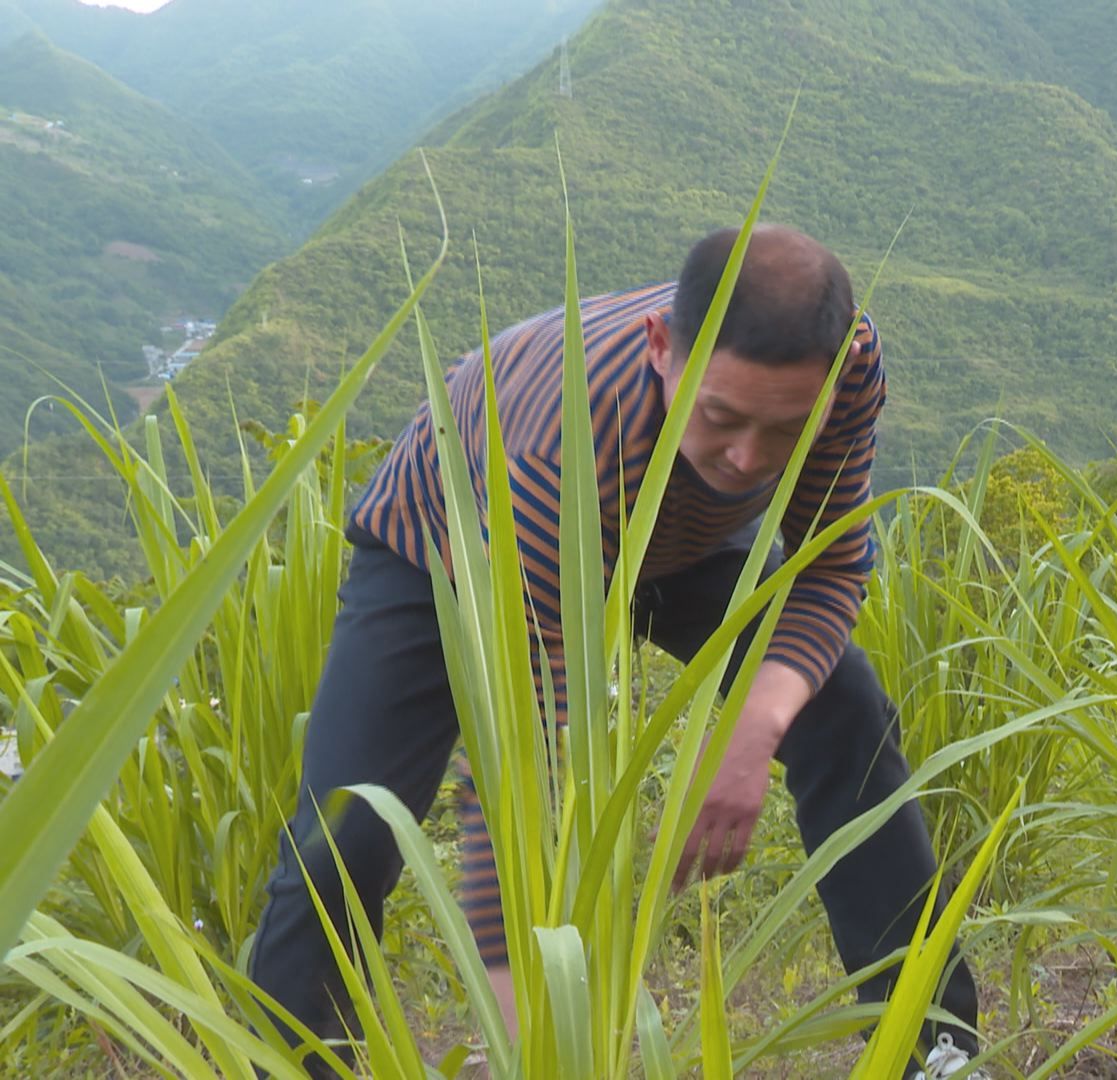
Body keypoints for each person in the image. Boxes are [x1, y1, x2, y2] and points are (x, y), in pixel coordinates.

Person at [247, 225, 983, 1079]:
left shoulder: (843, 363)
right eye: (720, 416)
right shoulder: (554, 439)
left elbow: (829, 566)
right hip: (452, 548)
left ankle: (933, 1049)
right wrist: (540, 1032)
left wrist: (750, 734)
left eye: (784, 430)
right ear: (661, 349)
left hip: (678, 538)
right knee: (346, 833)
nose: (749, 459)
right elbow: (523, 770)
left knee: (842, 708)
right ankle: (287, 1064)